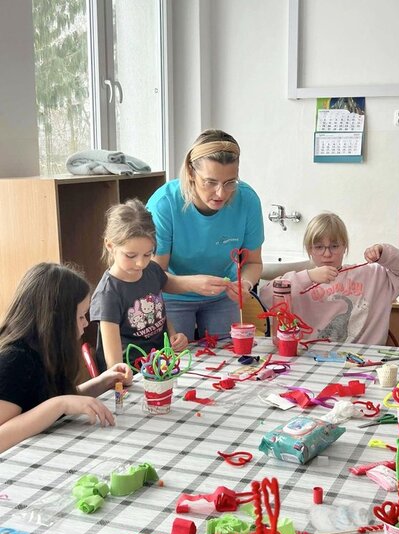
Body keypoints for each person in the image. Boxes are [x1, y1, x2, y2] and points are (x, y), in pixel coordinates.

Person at [0, 263, 133, 454]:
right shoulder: (13, 360)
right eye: (80, 317)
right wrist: (60, 404)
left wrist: (103, 382)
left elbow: (57, 400)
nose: (86, 323)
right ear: (56, 319)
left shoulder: (47, 349)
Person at [146, 129, 264, 340]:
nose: (221, 193)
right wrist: (192, 284)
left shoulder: (247, 200)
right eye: (210, 182)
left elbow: (253, 263)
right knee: (177, 357)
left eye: (230, 182)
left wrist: (244, 284)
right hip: (173, 296)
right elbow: (154, 275)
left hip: (223, 297)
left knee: (228, 355)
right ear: (191, 172)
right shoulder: (164, 204)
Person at [259, 212, 399, 345]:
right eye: (319, 247)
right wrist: (309, 276)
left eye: (334, 246)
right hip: (312, 357)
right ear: (309, 249)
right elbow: (266, 296)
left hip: (363, 359)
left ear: (344, 247)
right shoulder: (301, 281)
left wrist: (383, 252)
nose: (327, 254)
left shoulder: (372, 275)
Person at [90, 199, 189, 372]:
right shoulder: (108, 294)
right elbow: (115, 365)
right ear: (110, 245)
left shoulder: (152, 270)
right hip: (132, 373)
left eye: (147, 254)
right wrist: (124, 376)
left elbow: (159, 313)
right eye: (131, 255)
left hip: (162, 364)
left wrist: (174, 337)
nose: (140, 263)